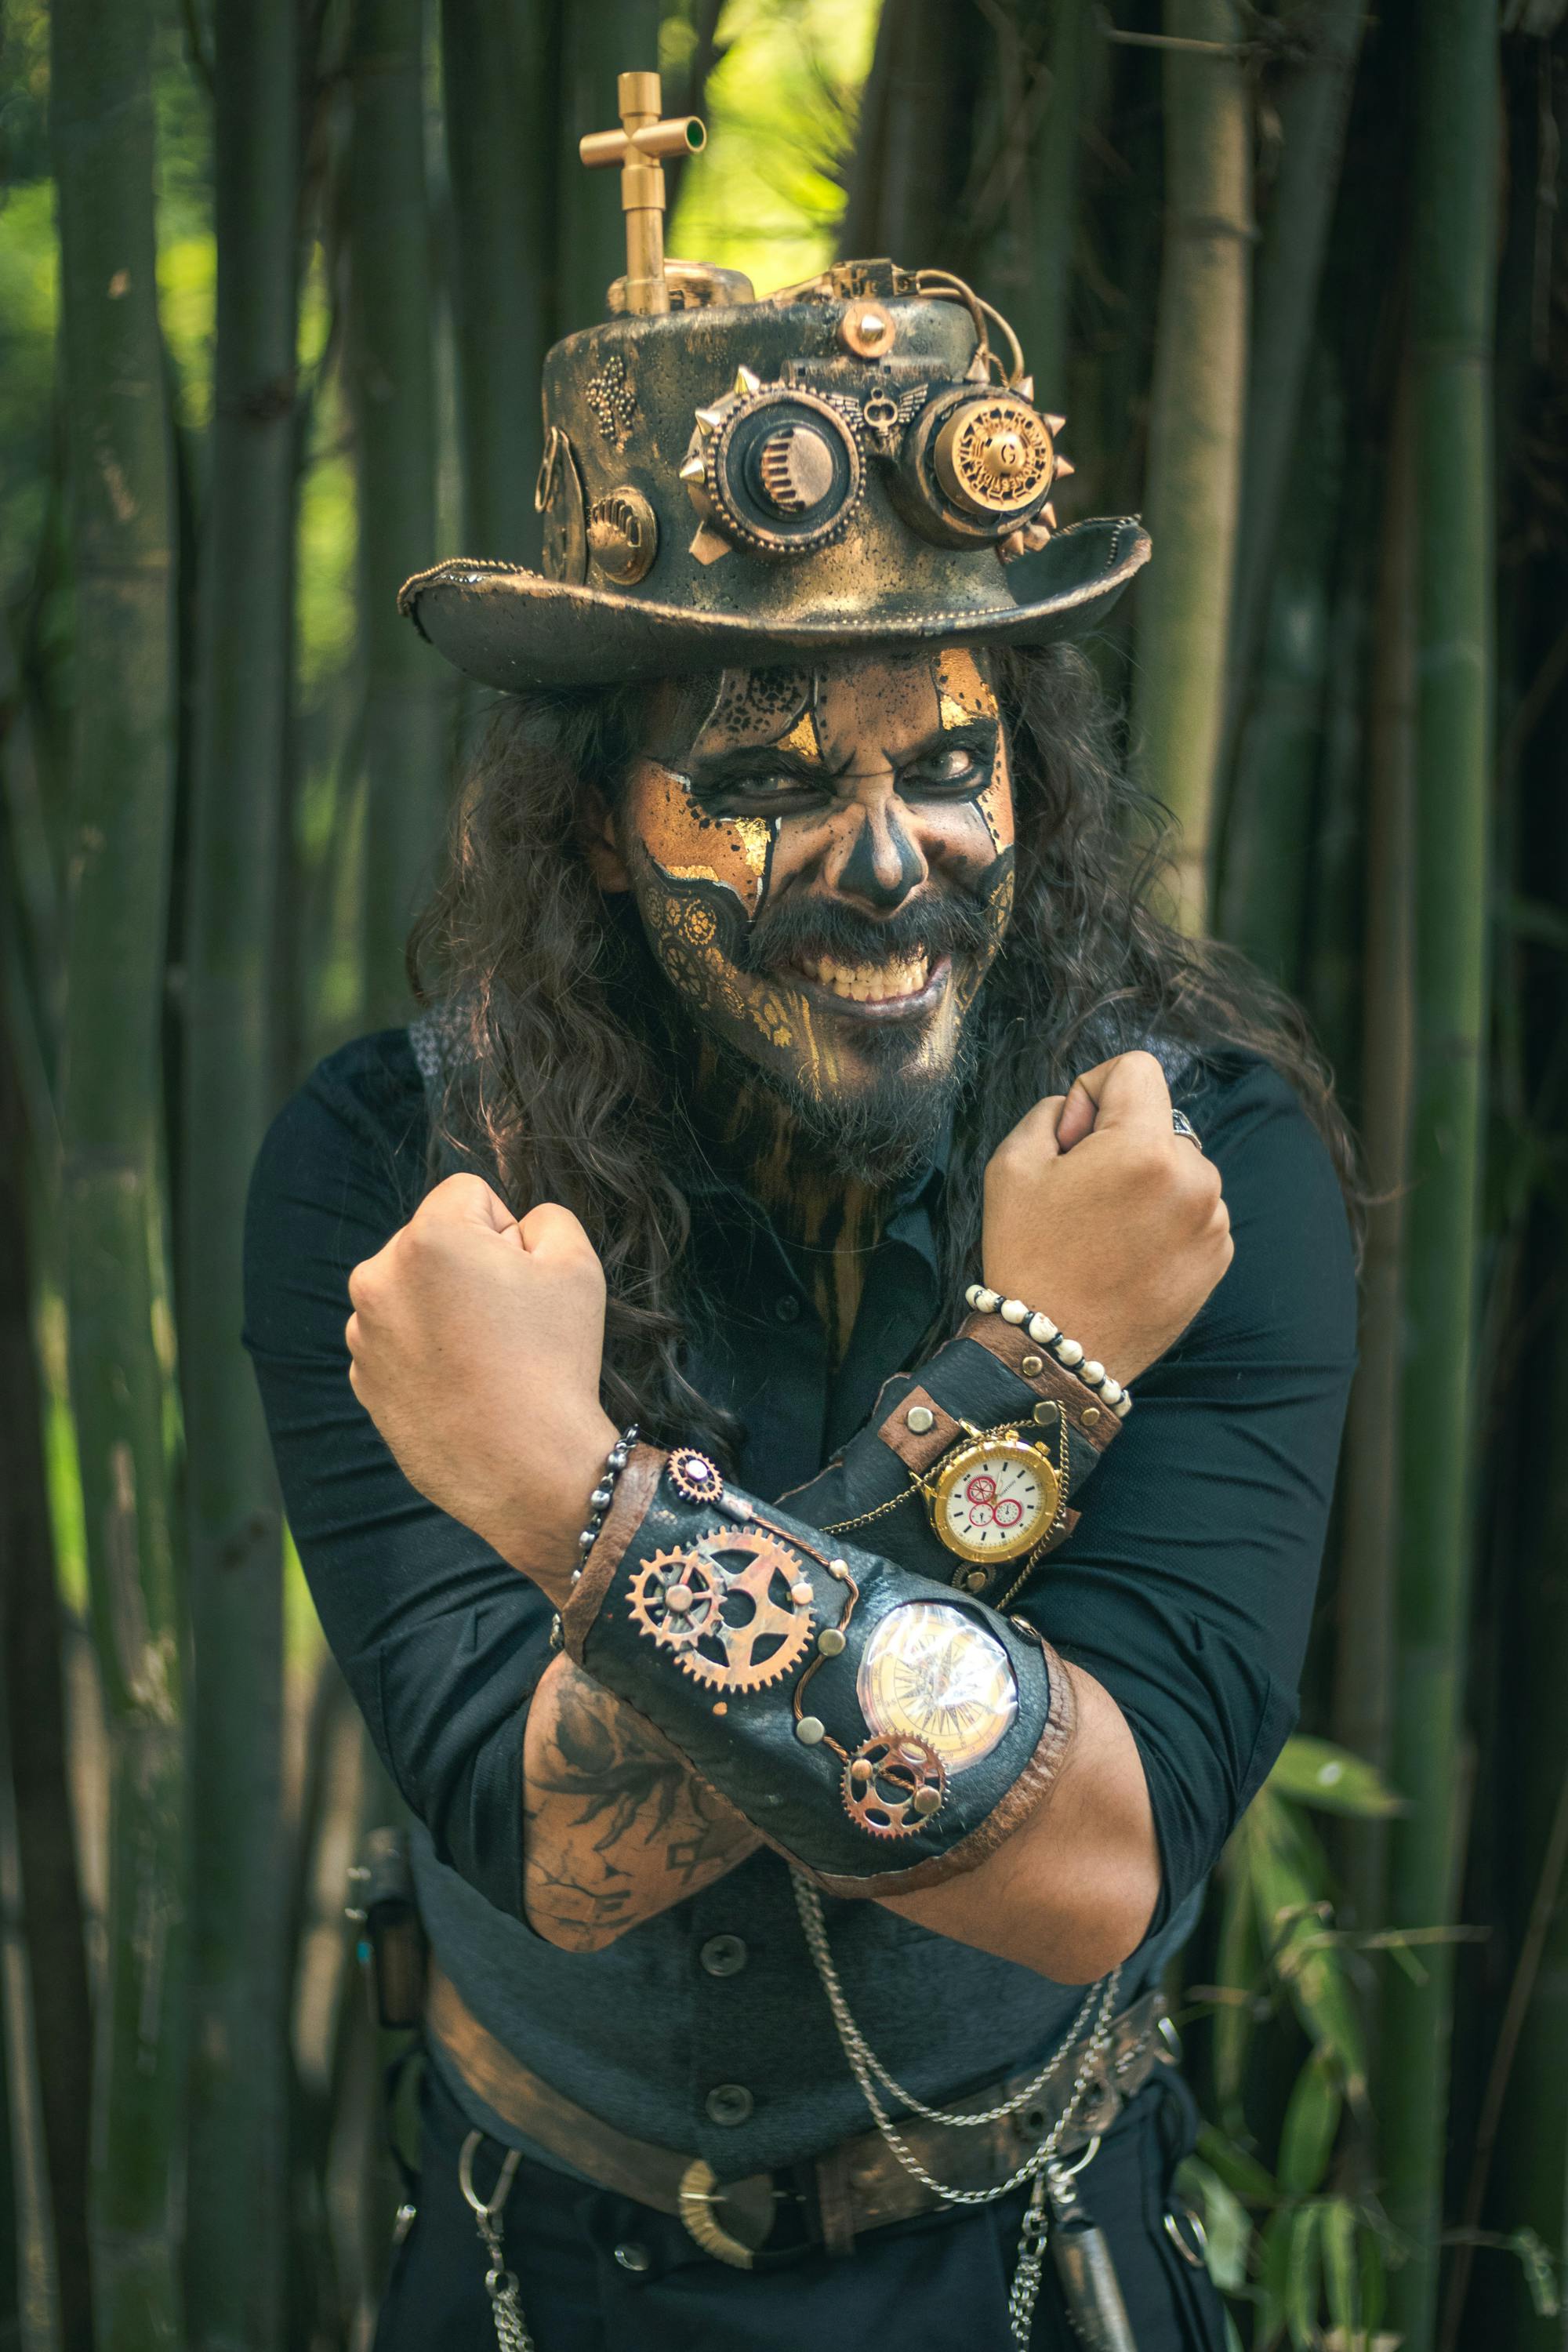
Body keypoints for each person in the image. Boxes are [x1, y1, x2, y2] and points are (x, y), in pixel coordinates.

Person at [244, 72, 1357, 2352]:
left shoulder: (1194, 1172)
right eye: (763, 782)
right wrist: (1034, 1406)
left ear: (1031, 780)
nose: (887, 859)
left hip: (1032, 2268)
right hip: (540, 2279)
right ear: (590, 836)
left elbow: (1089, 1866)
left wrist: (568, 1487)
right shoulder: (396, 1186)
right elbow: (565, 1851)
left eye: (949, 765)